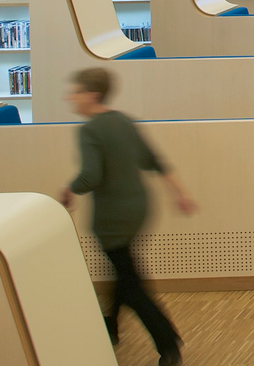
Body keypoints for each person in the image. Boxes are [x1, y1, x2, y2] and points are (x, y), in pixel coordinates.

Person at [58, 66, 196, 365]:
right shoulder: (123, 121)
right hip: (139, 209)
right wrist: (180, 193)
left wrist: (68, 190)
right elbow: (154, 160)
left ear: (92, 95)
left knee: (132, 285)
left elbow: (92, 176)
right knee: (123, 271)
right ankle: (109, 326)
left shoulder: (90, 130)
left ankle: (168, 344)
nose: (70, 97)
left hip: (112, 217)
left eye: (76, 91)